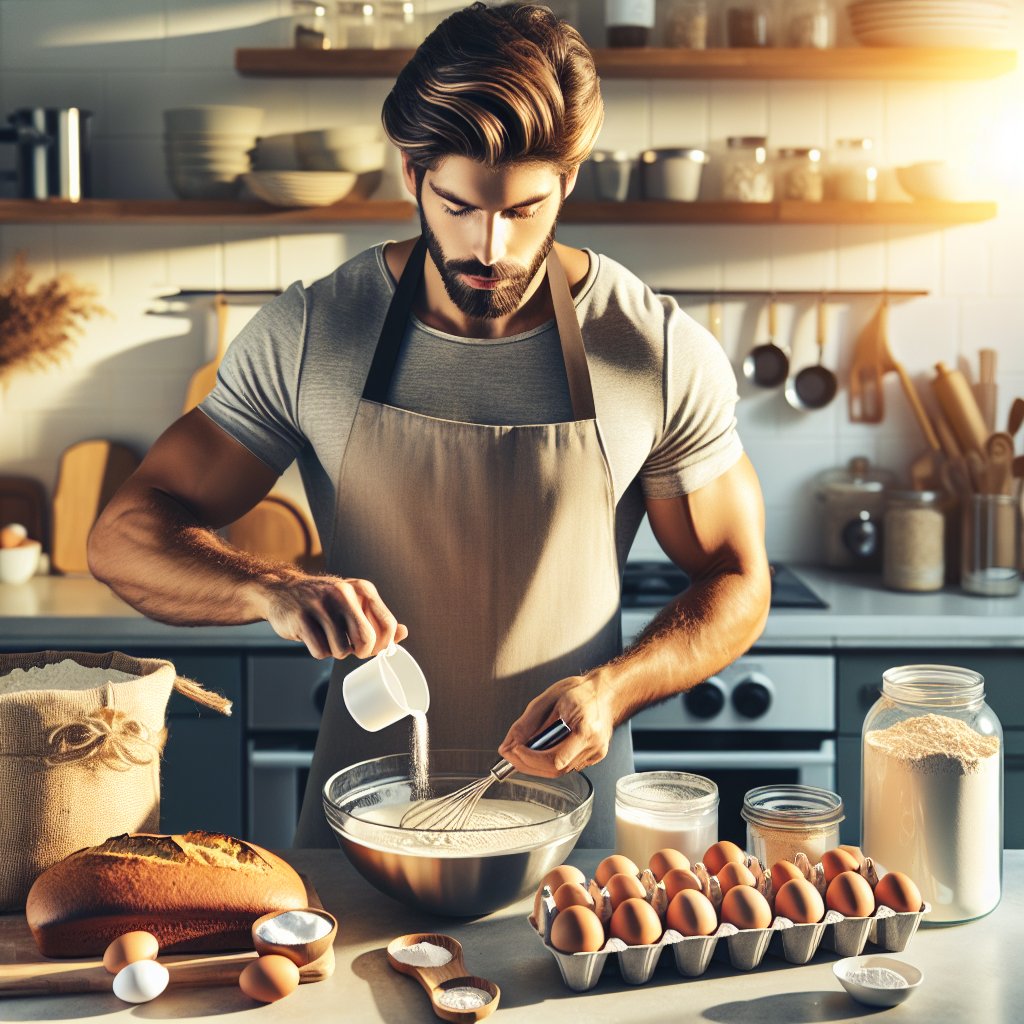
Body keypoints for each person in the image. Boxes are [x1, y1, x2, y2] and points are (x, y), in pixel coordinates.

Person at [88, 2, 770, 849]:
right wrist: (270, 588)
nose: (491, 247)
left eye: (523, 210)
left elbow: (738, 579)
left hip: (576, 840)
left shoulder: (653, 350)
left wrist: (618, 686)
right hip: (363, 837)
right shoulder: (314, 334)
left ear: (569, 179)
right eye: (459, 205)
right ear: (412, 174)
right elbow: (121, 535)